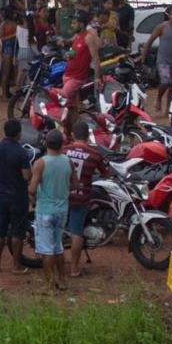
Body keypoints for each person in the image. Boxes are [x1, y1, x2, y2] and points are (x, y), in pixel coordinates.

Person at [0, 118, 35, 273]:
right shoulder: (21, 152)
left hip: (2, 194)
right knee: (17, 231)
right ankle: (16, 266)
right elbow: (26, 176)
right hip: (18, 196)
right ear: (18, 133)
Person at [64, 119, 109, 278]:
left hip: (63, 196)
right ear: (88, 135)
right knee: (77, 233)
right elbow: (106, 173)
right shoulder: (95, 154)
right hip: (81, 197)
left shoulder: (64, 151)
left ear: (73, 135)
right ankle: (74, 268)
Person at [30, 129, 71, 291]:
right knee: (58, 247)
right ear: (61, 144)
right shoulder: (67, 161)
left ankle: (49, 284)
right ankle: (62, 280)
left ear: (46, 144)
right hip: (62, 209)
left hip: (45, 209)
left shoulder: (41, 163)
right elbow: (75, 183)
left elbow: (32, 189)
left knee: (47, 250)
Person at [57, 11, 100, 127]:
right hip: (68, 75)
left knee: (62, 99)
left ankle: (62, 130)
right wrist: (69, 54)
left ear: (81, 24)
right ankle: (74, 132)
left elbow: (96, 58)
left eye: (74, 23)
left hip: (76, 78)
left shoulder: (89, 38)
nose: (72, 25)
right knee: (72, 108)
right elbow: (74, 49)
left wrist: (97, 78)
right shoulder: (77, 36)